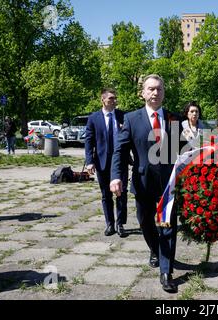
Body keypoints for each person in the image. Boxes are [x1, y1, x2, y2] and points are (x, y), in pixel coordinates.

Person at [110, 74, 183, 293]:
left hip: (168, 184)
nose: (155, 93)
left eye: (159, 89)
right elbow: (120, 150)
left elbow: (185, 150)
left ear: (164, 93)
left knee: (168, 226)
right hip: (142, 183)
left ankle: (166, 271)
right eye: (150, 89)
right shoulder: (132, 119)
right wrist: (116, 176)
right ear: (142, 92)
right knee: (145, 223)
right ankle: (154, 248)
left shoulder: (174, 119)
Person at [85, 88, 128, 238]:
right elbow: (89, 141)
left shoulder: (123, 116)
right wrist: (90, 161)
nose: (114, 101)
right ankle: (110, 223)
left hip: (120, 160)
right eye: (111, 98)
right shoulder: (94, 118)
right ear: (102, 100)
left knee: (121, 193)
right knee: (106, 194)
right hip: (102, 161)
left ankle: (120, 223)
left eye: (115, 98)